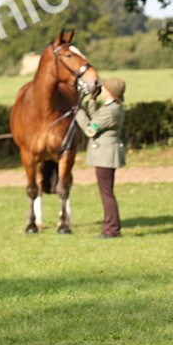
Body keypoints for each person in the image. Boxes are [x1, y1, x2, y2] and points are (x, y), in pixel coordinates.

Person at [75, 76, 126, 239]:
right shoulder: (112, 107)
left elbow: (91, 130)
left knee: (106, 193)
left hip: (105, 156)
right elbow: (97, 118)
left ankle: (111, 229)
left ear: (110, 92)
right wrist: (92, 101)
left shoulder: (111, 111)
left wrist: (77, 113)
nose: (101, 90)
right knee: (107, 192)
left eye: (104, 88)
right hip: (107, 154)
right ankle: (111, 227)